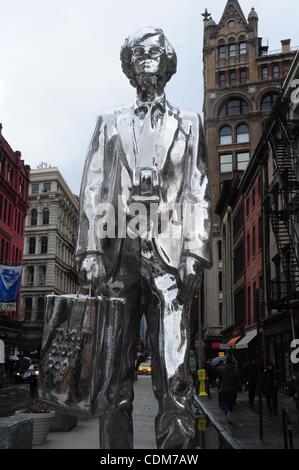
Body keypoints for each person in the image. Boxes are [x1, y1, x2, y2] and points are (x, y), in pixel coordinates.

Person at [76, 27, 212, 449]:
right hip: (119, 257)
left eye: (154, 51)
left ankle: (175, 455)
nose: (146, 58)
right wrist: (90, 249)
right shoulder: (108, 124)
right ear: (129, 65)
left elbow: (198, 189)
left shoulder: (189, 123)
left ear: (168, 62)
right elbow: (93, 184)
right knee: (112, 377)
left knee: (173, 372)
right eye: (138, 52)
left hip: (170, 260)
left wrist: (194, 251)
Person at [217, 356, 241, 423]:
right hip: (233, 390)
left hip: (224, 389)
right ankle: (229, 412)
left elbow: (216, 369)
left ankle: (227, 411)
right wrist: (240, 388)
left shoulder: (222, 369)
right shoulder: (235, 370)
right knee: (231, 403)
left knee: (224, 402)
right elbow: (238, 380)